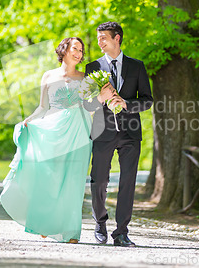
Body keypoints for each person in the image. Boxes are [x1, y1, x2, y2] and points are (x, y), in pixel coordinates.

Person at [0, 37, 92, 243]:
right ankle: (45, 223)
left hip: (79, 130)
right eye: (75, 48)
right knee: (50, 177)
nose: (79, 53)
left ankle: (71, 232)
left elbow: (93, 105)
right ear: (64, 50)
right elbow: (43, 107)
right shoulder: (48, 76)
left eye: (81, 50)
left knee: (74, 181)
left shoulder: (86, 77)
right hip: (54, 131)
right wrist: (28, 121)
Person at [84, 22, 153, 247]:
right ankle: (100, 222)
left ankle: (121, 232)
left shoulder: (137, 66)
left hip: (130, 133)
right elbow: (87, 105)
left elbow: (147, 101)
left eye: (104, 37)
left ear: (117, 38)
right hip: (103, 132)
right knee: (98, 180)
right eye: (98, 38)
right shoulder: (93, 67)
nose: (99, 42)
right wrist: (99, 99)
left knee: (128, 182)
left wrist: (126, 103)